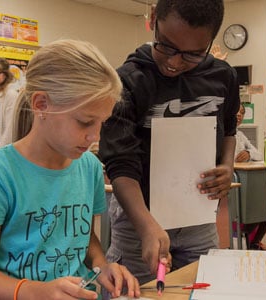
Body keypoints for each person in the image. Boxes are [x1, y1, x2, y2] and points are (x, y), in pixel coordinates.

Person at [0, 39, 140, 300]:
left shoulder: (88, 167)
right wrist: (35, 292)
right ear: (41, 104)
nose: (95, 136)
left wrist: (102, 266)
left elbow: (83, 237)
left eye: (102, 122)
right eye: (85, 122)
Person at [99, 0, 239, 283]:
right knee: (139, 289)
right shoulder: (126, 81)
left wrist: (226, 164)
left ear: (211, 41)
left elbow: (228, 129)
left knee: (202, 288)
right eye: (166, 45)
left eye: (192, 55)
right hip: (138, 218)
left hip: (197, 218)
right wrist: (146, 226)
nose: (174, 63)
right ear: (153, 19)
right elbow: (121, 165)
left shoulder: (223, 76)